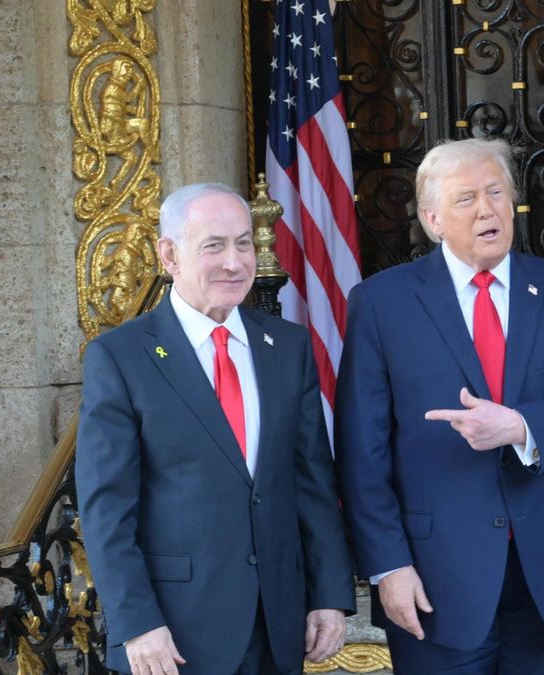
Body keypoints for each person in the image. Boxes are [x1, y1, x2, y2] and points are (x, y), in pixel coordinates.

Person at [335, 138, 544, 674]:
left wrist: (522, 425)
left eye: (496, 192)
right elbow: (361, 450)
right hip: (435, 575)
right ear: (432, 219)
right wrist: (386, 565)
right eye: (466, 198)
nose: (487, 209)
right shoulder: (382, 303)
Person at [76, 183, 356, 675]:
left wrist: (330, 593)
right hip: (174, 634)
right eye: (214, 245)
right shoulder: (121, 357)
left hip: (279, 624)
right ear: (169, 254)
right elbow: (106, 510)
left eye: (244, 243)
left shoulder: (287, 347)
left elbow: (313, 482)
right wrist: (137, 623)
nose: (235, 262)